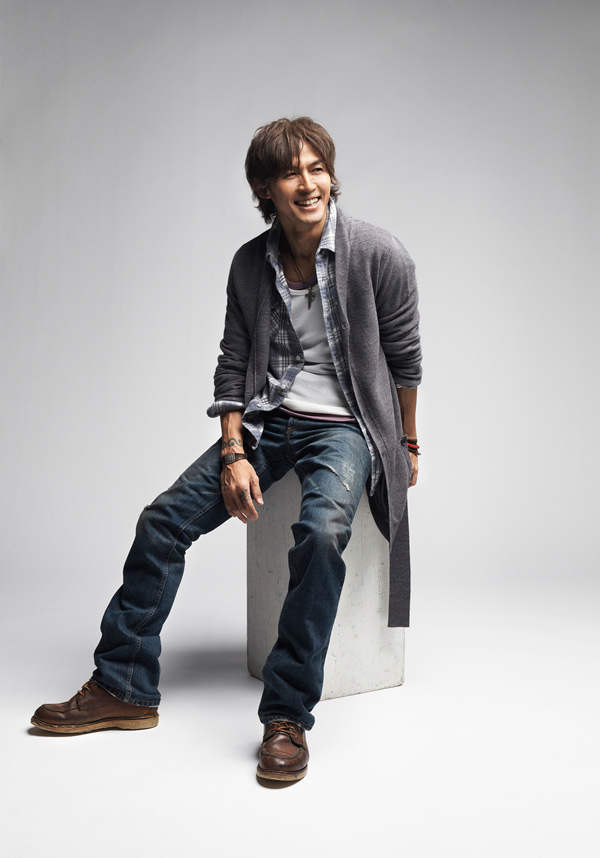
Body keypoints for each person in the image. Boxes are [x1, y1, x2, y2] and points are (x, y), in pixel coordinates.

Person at [31, 117, 422, 782]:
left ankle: (287, 717)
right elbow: (234, 364)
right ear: (265, 188)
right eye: (291, 172)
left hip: (347, 426)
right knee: (162, 522)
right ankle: (124, 686)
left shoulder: (380, 255)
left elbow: (406, 361)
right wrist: (234, 451)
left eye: (318, 168)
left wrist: (406, 442)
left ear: (332, 176)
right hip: (270, 419)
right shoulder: (250, 263)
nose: (309, 183)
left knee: (321, 533)